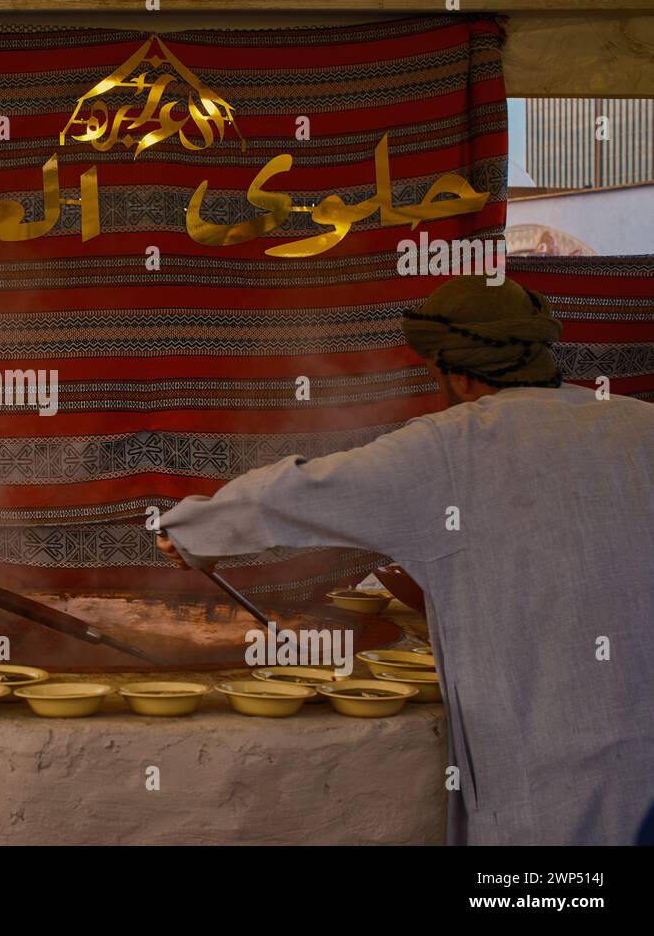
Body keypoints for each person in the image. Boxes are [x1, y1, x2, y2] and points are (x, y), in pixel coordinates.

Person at [156, 275, 654, 844]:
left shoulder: (452, 447)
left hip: (553, 782)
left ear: (459, 375)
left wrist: (192, 531)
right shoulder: (642, 426)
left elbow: (296, 495)